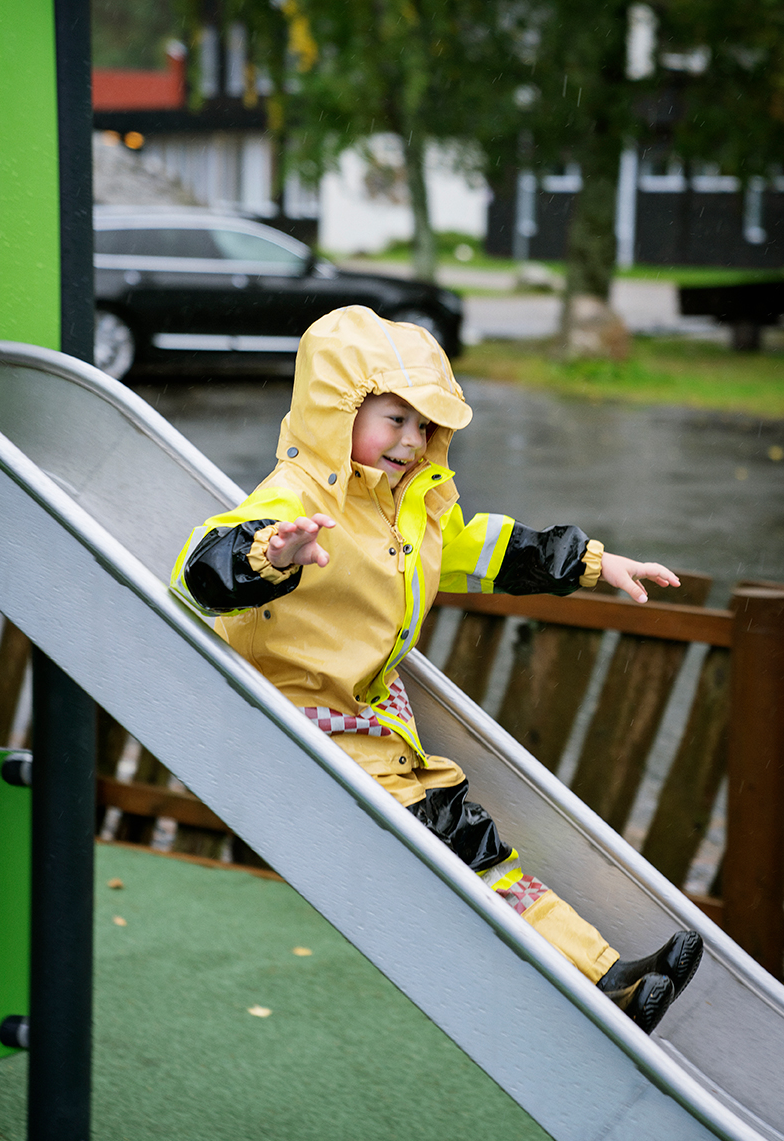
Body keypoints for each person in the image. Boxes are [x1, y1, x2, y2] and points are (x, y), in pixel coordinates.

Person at [171, 305, 702, 1034]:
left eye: (426, 428)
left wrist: (594, 562)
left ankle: (604, 973)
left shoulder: (407, 514)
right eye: (394, 419)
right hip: (297, 725)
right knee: (442, 845)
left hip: (372, 720)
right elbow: (201, 569)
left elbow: (489, 550)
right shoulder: (295, 502)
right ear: (339, 411)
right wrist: (274, 554)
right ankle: (578, 987)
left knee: (474, 839)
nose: (412, 442)